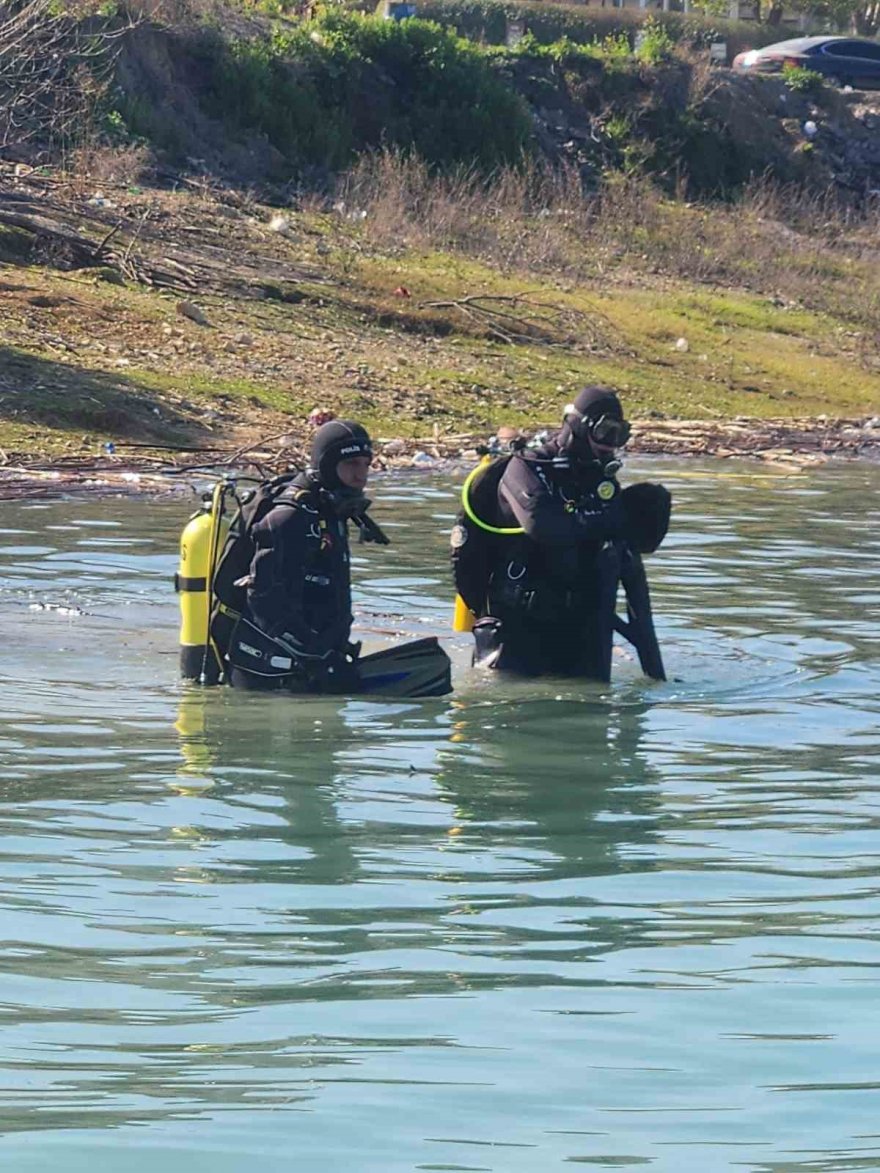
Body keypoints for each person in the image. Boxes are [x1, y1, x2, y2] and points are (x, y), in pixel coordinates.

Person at [451, 385, 670, 681]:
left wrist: (655, 677)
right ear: (578, 426)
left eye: (620, 435)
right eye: (605, 431)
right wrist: (609, 520)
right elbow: (542, 526)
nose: (611, 445)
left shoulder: (600, 484)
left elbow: (632, 577)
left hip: (577, 627)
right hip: (518, 627)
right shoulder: (527, 468)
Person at [227, 419, 378, 693]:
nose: (361, 475)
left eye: (366, 464)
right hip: (270, 676)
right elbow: (264, 602)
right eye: (351, 464)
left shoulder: (331, 511)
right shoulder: (290, 517)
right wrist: (315, 655)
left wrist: (333, 650)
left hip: (312, 666)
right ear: (327, 465)